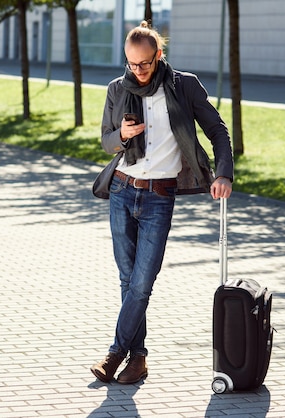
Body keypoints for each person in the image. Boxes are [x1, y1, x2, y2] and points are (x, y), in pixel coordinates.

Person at [91, 21, 234, 385]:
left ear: (159, 55)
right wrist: (121, 136)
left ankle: (114, 354)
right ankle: (137, 361)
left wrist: (223, 173)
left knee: (142, 283)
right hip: (122, 190)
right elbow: (106, 140)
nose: (137, 72)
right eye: (131, 65)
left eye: (145, 64)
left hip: (158, 197)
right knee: (127, 281)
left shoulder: (184, 86)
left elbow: (217, 130)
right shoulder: (117, 89)